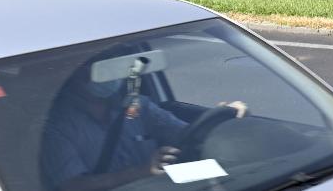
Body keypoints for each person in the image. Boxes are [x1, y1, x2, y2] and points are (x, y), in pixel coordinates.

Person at [41, 49, 246, 191]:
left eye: (114, 66)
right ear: (75, 75)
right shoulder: (55, 127)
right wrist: (142, 172)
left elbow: (186, 134)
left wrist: (220, 118)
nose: (111, 77)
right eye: (101, 69)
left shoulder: (138, 105)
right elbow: (72, 186)